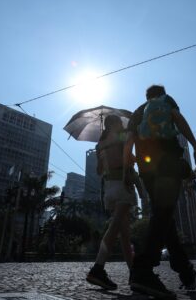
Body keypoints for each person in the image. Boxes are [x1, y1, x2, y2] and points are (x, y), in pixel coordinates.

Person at [123, 85, 196, 299]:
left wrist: (126, 168)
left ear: (146, 96)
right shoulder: (166, 101)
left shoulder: (138, 112)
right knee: (164, 213)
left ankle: (186, 272)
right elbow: (178, 119)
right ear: (161, 93)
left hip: (146, 168)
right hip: (168, 161)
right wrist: (195, 145)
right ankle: (142, 270)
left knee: (164, 215)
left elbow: (129, 142)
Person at [86, 115, 139, 290]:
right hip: (122, 183)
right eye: (119, 123)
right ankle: (98, 267)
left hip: (108, 189)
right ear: (115, 123)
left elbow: (99, 170)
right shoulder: (121, 136)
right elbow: (127, 158)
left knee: (125, 234)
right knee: (115, 226)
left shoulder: (99, 144)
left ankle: (134, 274)